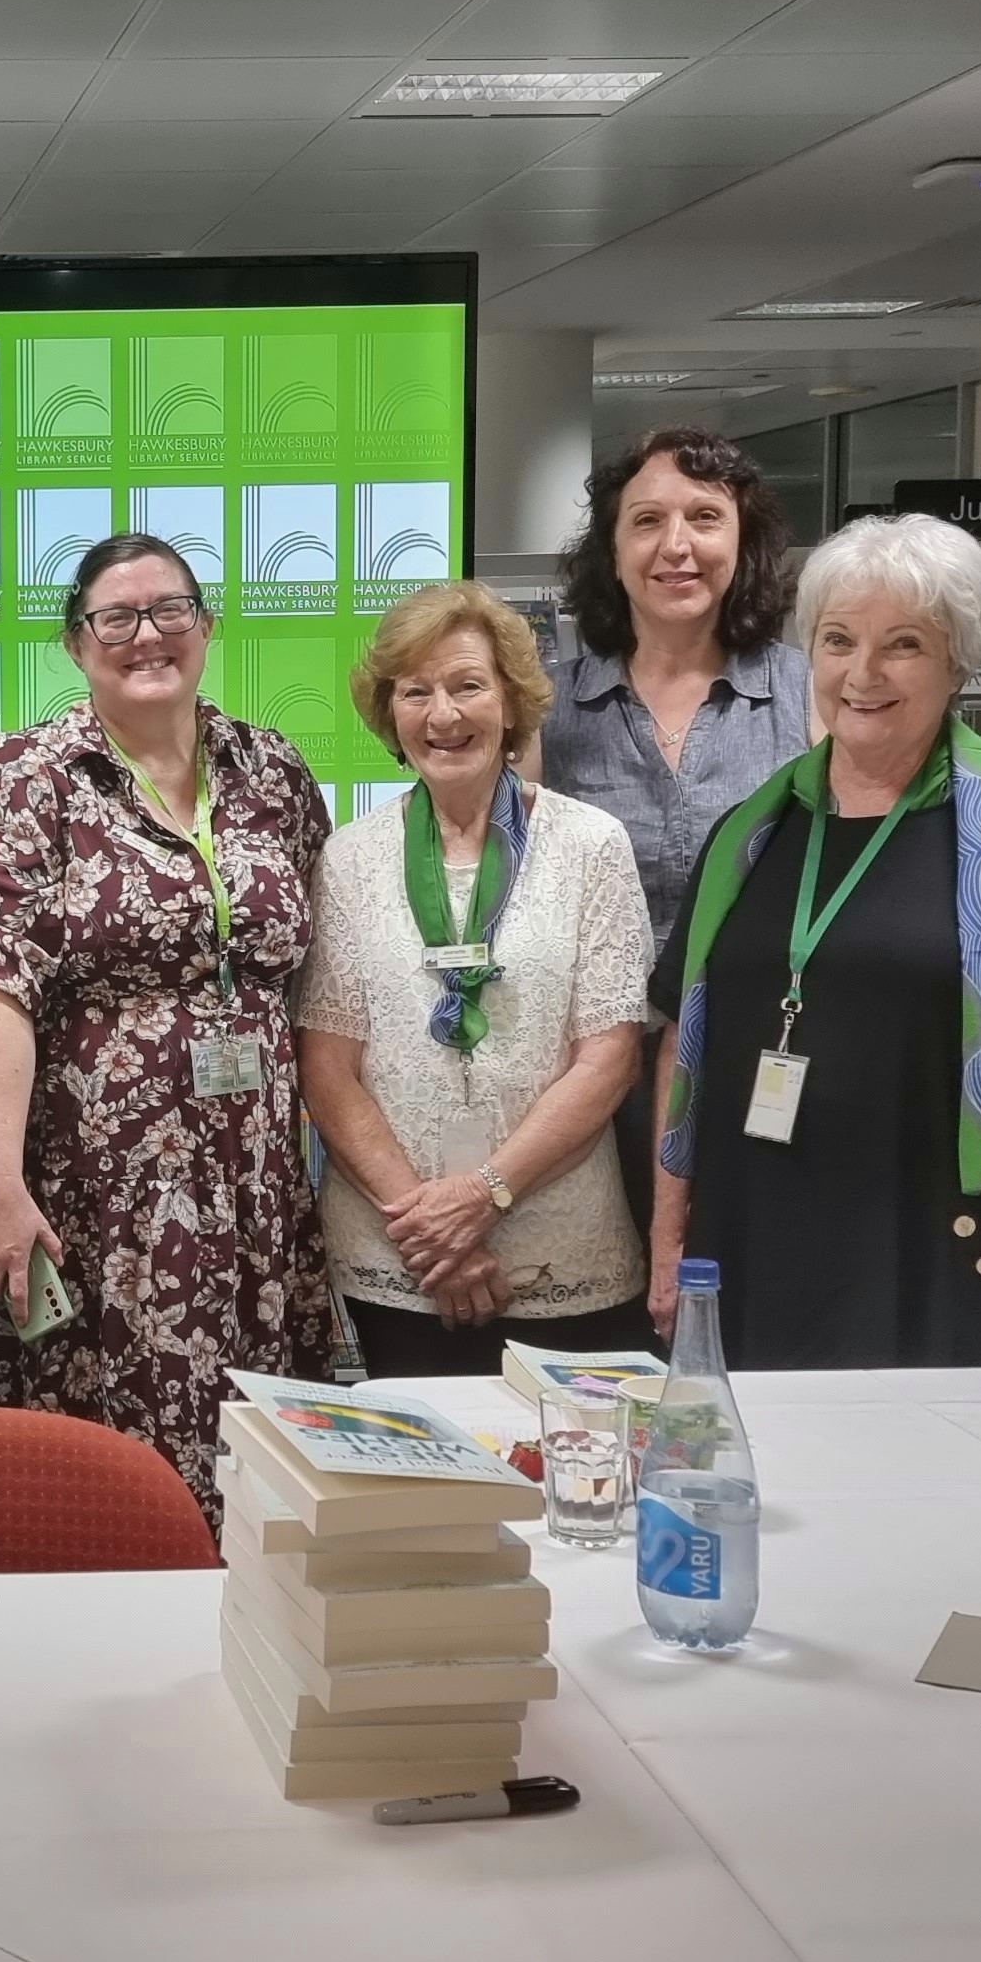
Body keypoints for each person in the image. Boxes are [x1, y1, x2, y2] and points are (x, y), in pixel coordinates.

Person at [650, 512, 981, 1371]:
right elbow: (680, 1045)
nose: (862, 673)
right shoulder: (751, 835)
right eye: (838, 640)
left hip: (940, 1251)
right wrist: (666, 1241)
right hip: (754, 1240)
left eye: (904, 644)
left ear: (958, 661)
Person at [0, 532, 330, 1509]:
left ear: (205, 627)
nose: (144, 634)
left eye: (168, 610)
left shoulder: (273, 773)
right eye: (113, 617)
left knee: (267, 1464)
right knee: (115, 1474)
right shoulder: (26, 778)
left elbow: (311, 975)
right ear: (76, 645)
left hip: (257, 1187)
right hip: (106, 1196)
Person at [299, 583, 655, 1377]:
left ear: (512, 700)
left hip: (560, 1250)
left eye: (467, 685)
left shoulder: (591, 844)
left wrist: (481, 1196)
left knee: (567, 1478)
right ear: (389, 712)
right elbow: (327, 1069)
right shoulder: (350, 859)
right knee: (415, 1493)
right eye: (415, 692)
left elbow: (609, 1060)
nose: (443, 715)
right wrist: (432, 1232)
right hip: (400, 1253)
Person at [538, 428, 818, 1231]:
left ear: (744, 540)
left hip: (762, 1063)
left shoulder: (813, 698)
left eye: (704, 517)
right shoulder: (544, 713)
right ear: (612, 548)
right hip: (592, 1079)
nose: (677, 546)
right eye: (647, 521)